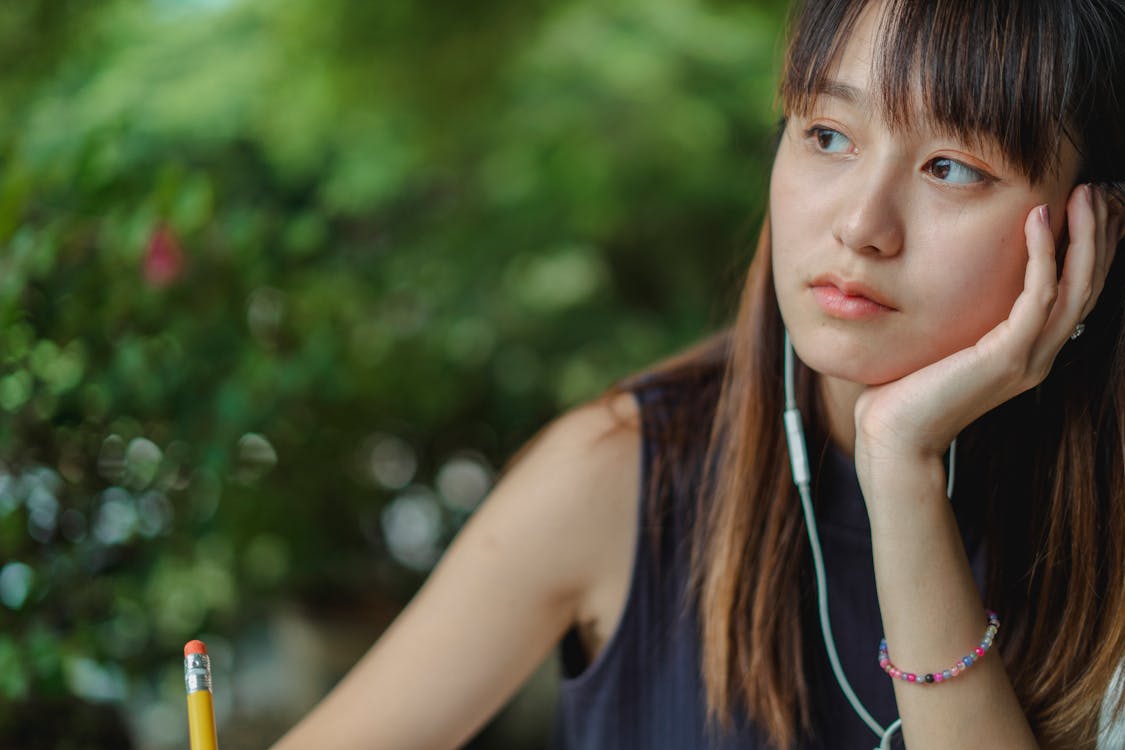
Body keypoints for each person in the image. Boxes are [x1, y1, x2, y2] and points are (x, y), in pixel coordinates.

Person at [271, 0, 1125, 747]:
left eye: (952, 167)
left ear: (1094, 228)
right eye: (827, 135)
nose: (862, 225)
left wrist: (897, 469)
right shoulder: (620, 474)